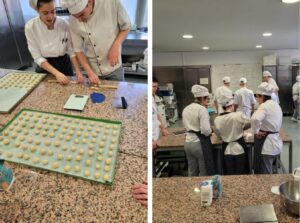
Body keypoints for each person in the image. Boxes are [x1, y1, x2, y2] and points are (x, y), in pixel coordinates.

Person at [60, 0, 131, 82]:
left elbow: (126, 27)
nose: (79, 20)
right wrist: (90, 73)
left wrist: (116, 45)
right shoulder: (73, 20)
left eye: (81, 14)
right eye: (75, 17)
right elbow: (78, 49)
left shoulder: (111, 3)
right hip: (93, 71)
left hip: (114, 68)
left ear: (89, 2)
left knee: (118, 94)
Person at [25, 0, 83, 85]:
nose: (50, 16)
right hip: (45, 67)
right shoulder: (30, 27)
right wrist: (56, 73)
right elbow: (37, 57)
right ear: (37, 10)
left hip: (64, 64)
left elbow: (71, 50)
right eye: (45, 13)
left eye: (53, 11)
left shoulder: (64, 24)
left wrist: (78, 71)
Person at [182, 85, 215, 176]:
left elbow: (185, 126)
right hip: (199, 144)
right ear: (202, 98)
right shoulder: (202, 110)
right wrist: (211, 130)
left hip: (188, 143)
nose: (207, 101)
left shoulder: (186, 109)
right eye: (206, 99)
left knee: (192, 171)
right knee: (204, 171)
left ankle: (192, 189)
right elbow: (205, 130)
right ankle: (203, 190)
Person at [251, 82, 283, 174]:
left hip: (266, 145)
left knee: (264, 175)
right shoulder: (276, 105)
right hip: (276, 142)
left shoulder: (264, 106)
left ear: (262, 96)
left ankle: (267, 188)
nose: (257, 99)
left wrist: (256, 131)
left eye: (257, 96)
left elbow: (255, 119)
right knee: (270, 171)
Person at [214, 96, 250, 175]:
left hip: (226, 150)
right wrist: (241, 128)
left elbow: (218, 135)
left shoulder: (217, 119)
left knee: (229, 174)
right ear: (231, 106)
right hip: (240, 148)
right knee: (241, 173)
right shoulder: (238, 115)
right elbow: (249, 123)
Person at [152, 77, 169, 145]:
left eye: (156, 87)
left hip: (156, 134)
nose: (155, 89)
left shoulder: (152, 98)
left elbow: (156, 114)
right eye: (153, 86)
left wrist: (163, 129)